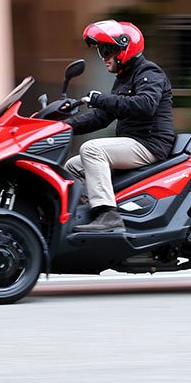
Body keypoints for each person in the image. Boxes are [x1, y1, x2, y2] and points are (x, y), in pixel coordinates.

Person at [64, 19, 176, 231]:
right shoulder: (123, 79)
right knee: (73, 166)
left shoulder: (149, 72)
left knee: (91, 149)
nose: (103, 57)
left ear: (125, 48)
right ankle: (88, 213)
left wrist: (100, 99)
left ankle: (108, 215)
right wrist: (63, 127)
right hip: (134, 142)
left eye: (107, 51)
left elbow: (145, 105)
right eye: (101, 51)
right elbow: (101, 117)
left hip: (150, 144)